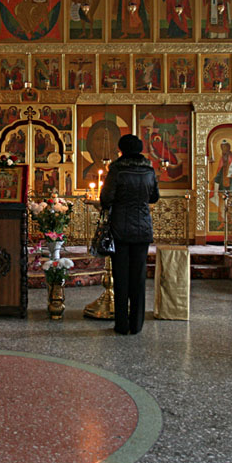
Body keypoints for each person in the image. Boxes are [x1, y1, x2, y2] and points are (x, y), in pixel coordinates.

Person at [99, 134, 160, 335]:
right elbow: (154, 197)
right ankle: (137, 324)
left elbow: (106, 198)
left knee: (121, 277)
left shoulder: (116, 170)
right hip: (143, 229)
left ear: (121, 149)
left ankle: (122, 324)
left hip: (120, 229)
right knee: (139, 277)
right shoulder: (149, 170)